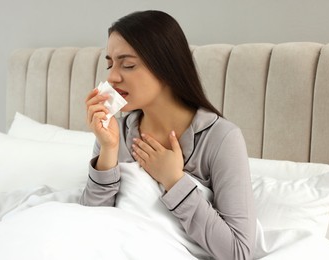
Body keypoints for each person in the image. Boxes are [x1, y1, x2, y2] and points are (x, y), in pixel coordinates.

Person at [80, 10, 256, 260]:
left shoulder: (220, 139)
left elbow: (238, 253)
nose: (112, 76)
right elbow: (88, 226)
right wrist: (107, 150)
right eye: (110, 64)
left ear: (166, 66)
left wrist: (174, 180)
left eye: (127, 64)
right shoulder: (114, 132)